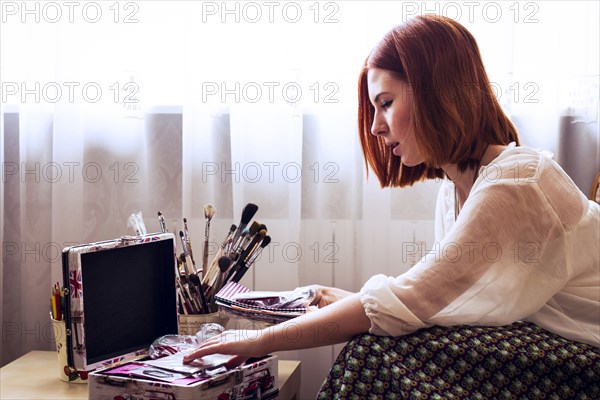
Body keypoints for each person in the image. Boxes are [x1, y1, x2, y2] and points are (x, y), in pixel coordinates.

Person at [184, 14, 599, 397]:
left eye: (386, 103)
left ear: (438, 94)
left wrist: (257, 341)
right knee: (379, 340)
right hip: (548, 345)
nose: (374, 126)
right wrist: (352, 300)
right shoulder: (455, 190)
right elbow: (437, 303)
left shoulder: (516, 181)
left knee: (374, 351)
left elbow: (411, 300)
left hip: (584, 355)